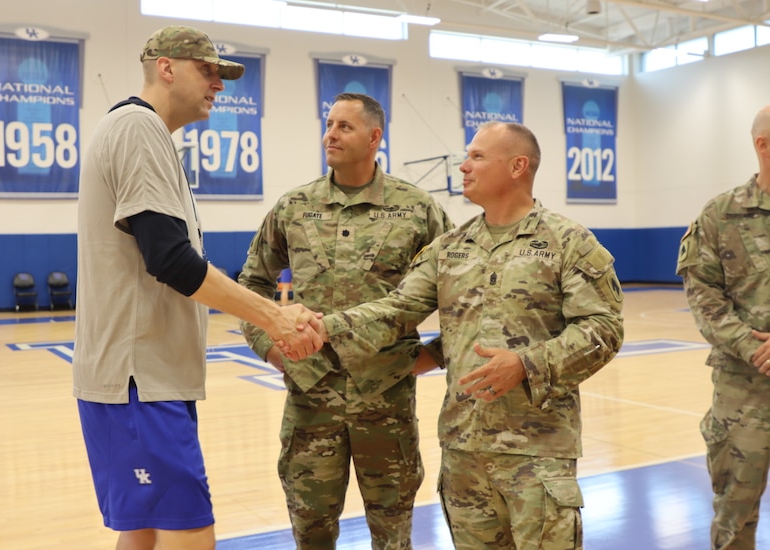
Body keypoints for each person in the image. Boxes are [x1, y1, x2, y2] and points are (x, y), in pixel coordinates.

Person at [317, 121, 625, 549]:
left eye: (477, 156)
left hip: (537, 456)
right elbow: (396, 309)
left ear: (518, 166)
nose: (463, 166)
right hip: (464, 453)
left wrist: (526, 364)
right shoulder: (450, 247)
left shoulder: (568, 242)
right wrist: (321, 327)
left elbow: (604, 330)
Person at [73, 25, 322, 550]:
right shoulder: (138, 129)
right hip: (138, 381)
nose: (220, 85)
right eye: (208, 71)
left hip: (141, 379)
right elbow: (173, 262)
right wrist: (274, 316)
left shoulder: (143, 134)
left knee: (142, 532)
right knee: (191, 532)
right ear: (167, 67)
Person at [237, 92, 454, 549]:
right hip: (310, 401)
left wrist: (432, 356)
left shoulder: (418, 209)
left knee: (392, 531)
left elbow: (461, 293)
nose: (330, 134)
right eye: (329, 124)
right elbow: (251, 285)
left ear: (375, 137)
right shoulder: (294, 207)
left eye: (344, 126)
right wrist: (272, 349)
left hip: (386, 404)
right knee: (311, 530)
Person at [676, 105, 770, 550]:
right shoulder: (720, 216)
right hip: (743, 392)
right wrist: (755, 348)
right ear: (763, 145)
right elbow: (704, 301)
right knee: (735, 514)